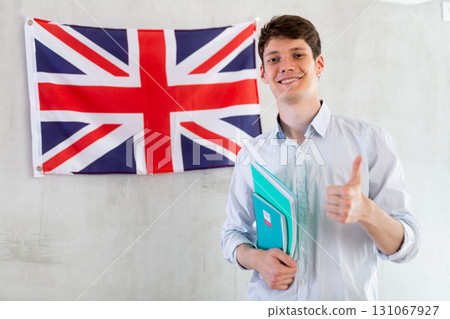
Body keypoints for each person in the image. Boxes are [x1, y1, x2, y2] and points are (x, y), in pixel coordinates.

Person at [220, 15, 420, 301]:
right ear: (263, 74)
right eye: (273, 59)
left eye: (298, 54)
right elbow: (232, 235)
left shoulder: (370, 141)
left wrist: (366, 211)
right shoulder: (251, 154)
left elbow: (407, 247)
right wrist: (256, 259)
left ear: (319, 64)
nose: (285, 66)